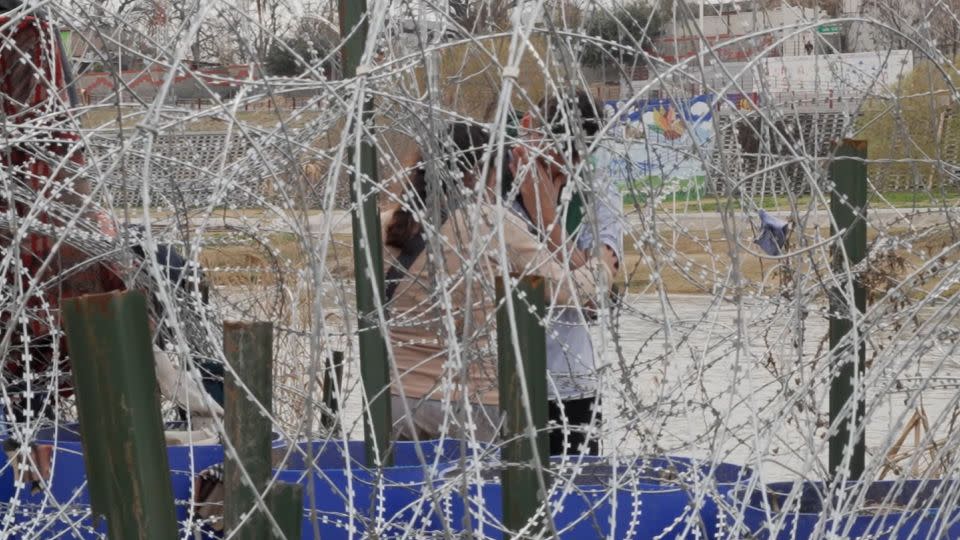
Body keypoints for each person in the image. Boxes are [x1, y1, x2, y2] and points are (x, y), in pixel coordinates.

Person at [382, 122, 611, 442]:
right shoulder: (491, 223)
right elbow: (568, 291)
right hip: (472, 406)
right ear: (480, 171)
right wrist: (602, 266)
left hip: (395, 401)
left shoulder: (385, 225)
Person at [508, 90, 622, 456]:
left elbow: (598, 292)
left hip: (571, 385)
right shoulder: (493, 181)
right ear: (528, 128)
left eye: (572, 156)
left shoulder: (594, 190)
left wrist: (547, 220)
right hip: (500, 384)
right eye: (552, 151)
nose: (559, 166)